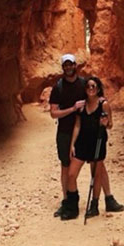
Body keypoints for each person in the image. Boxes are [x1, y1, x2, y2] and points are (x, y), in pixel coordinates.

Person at [59, 76, 124, 220]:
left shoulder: (104, 105)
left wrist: (105, 123)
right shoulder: (81, 106)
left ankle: (94, 206)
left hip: (97, 143)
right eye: (88, 86)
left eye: (93, 86)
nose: (91, 89)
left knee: (96, 175)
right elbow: (77, 125)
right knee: (71, 174)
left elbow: (110, 125)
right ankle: (72, 206)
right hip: (82, 143)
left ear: (98, 89)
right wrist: (72, 145)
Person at [48, 53, 86, 217]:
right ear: (63, 67)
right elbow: (53, 113)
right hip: (64, 131)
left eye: (71, 64)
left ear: (75, 65)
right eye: (65, 65)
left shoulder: (84, 85)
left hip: (83, 131)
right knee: (65, 166)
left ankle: (100, 199)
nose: (68, 67)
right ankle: (67, 201)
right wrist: (72, 108)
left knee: (94, 163)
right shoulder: (58, 87)